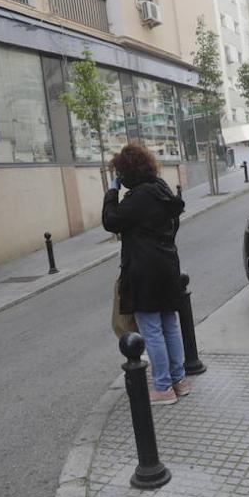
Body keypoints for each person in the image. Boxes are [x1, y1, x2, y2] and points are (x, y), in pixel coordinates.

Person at [102, 144, 188, 405]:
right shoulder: (161, 190)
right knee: (169, 324)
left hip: (144, 270)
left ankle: (163, 387)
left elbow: (110, 221)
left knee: (151, 329)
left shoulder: (138, 198)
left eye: (120, 172)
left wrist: (112, 191)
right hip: (167, 265)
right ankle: (179, 380)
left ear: (127, 172)